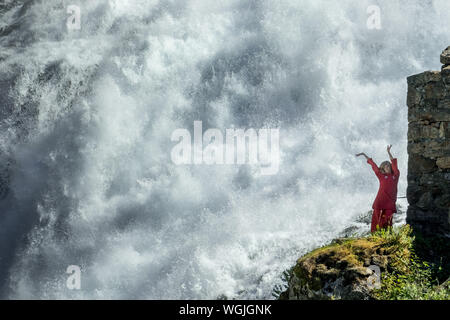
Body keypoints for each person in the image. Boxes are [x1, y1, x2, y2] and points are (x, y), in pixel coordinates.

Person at [356, 145, 400, 233]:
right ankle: (375, 236)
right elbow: (374, 166)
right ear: (383, 168)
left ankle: (387, 235)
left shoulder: (396, 175)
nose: (388, 167)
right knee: (377, 221)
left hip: (390, 202)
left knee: (388, 218)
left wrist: (389, 152)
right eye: (386, 166)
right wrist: (365, 155)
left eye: (389, 165)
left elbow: (394, 163)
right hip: (380, 201)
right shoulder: (381, 176)